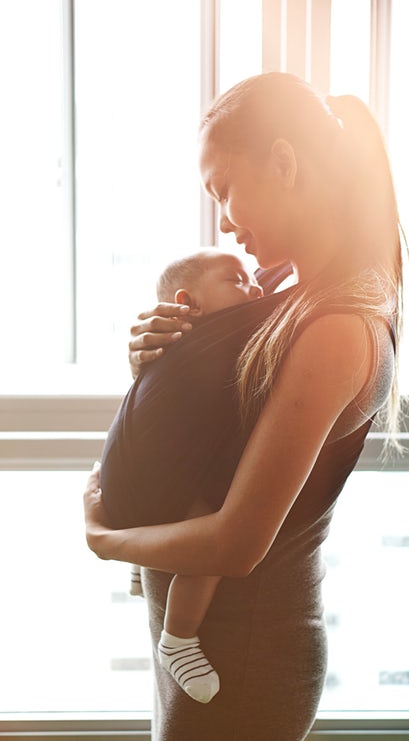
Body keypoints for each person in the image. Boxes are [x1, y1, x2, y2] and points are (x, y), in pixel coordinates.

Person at [84, 72, 405, 741]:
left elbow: (236, 541)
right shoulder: (294, 300)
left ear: (284, 163)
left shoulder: (337, 329)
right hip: (211, 643)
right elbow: (218, 425)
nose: (223, 218)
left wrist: (107, 541)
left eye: (224, 189)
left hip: (244, 660)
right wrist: (157, 363)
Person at [110, 247, 263, 703]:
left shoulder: (196, 341)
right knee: (209, 547)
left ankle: (142, 562)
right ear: (188, 303)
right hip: (159, 479)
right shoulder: (194, 342)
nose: (255, 289)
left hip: (147, 479)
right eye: (237, 281)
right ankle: (178, 637)